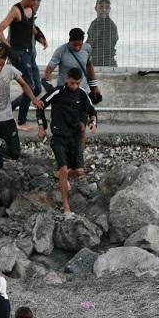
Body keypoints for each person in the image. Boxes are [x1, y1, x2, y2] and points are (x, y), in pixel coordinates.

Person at [0, 46, 42, 217]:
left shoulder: (10, 70)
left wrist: (34, 99)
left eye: (1, 64)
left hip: (6, 119)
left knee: (15, 152)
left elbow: (25, 85)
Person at [36, 69, 98, 217]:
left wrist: (93, 123)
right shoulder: (57, 92)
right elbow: (40, 105)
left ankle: (60, 174)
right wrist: (41, 126)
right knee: (64, 170)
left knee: (79, 172)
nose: (74, 86)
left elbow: (92, 111)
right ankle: (66, 207)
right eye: (72, 83)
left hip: (75, 137)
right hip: (59, 137)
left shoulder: (82, 93)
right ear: (67, 80)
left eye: (77, 83)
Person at [0, 0, 49, 129]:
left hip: (29, 53)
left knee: (37, 88)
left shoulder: (30, 10)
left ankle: (10, 107)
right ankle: (21, 121)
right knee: (29, 86)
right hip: (18, 54)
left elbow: (30, 27)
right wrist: (9, 49)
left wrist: (40, 37)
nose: (36, 4)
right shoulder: (16, 10)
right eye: (35, 1)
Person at [44, 28, 101, 102]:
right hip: (64, 92)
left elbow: (89, 66)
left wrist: (94, 86)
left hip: (82, 91)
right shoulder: (61, 51)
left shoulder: (87, 48)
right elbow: (48, 71)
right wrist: (51, 89)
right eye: (74, 45)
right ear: (69, 41)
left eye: (80, 45)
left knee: (84, 112)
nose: (77, 48)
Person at [86, 0, 118, 68]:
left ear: (109, 9)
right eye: (101, 7)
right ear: (95, 8)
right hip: (93, 64)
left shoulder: (110, 26)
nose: (104, 10)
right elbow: (88, 43)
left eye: (107, 7)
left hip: (107, 65)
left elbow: (104, 49)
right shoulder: (93, 23)